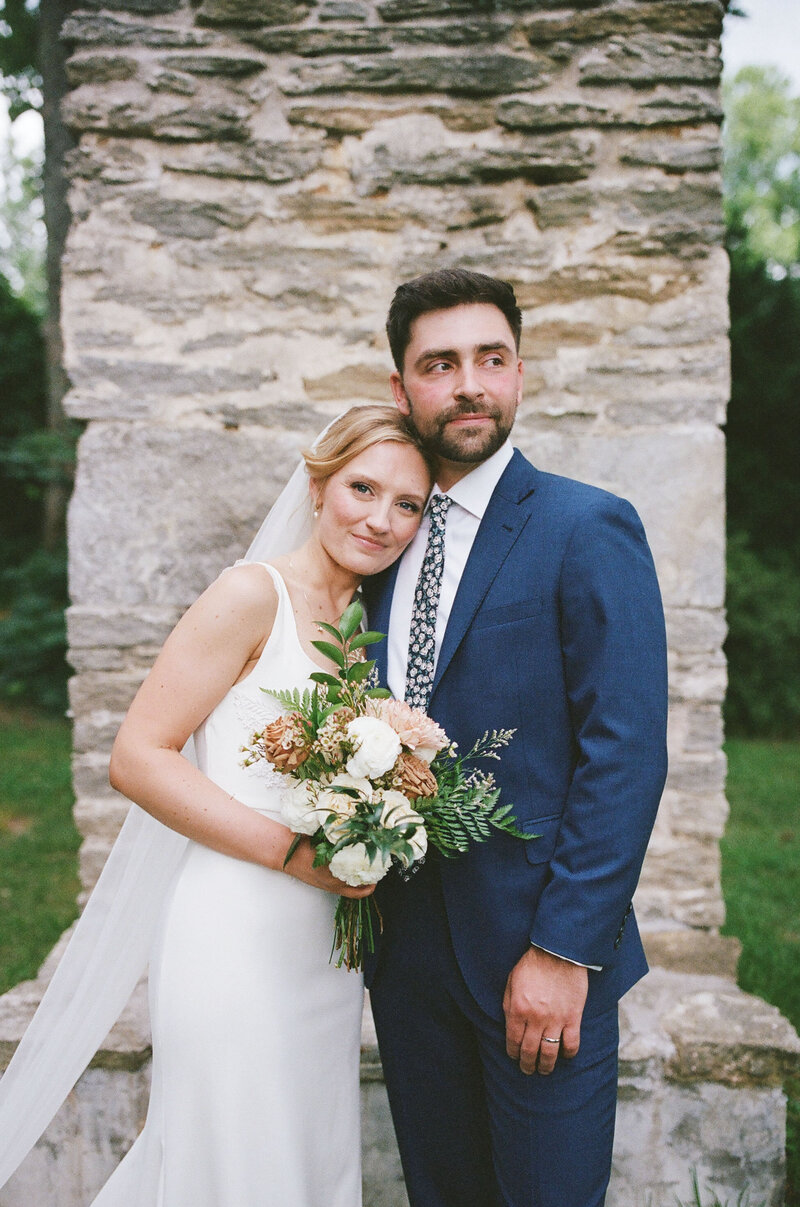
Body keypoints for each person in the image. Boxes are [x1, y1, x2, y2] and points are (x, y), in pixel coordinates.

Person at [0, 405, 433, 1207]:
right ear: (316, 485)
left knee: (304, 1156)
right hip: (235, 933)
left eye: (406, 504)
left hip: (323, 952)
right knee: (233, 1162)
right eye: (362, 488)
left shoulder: (369, 622)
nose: (380, 519)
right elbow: (136, 756)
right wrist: (291, 853)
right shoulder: (249, 595)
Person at [362, 269, 669, 1207]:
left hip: (537, 962)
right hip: (406, 956)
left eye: (490, 359)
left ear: (520, 374)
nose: (468, 384)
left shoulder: (587, 526)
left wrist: (565, 951)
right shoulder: (375, 536)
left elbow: (626, 751)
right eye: (440, 363)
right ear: (401, 387)